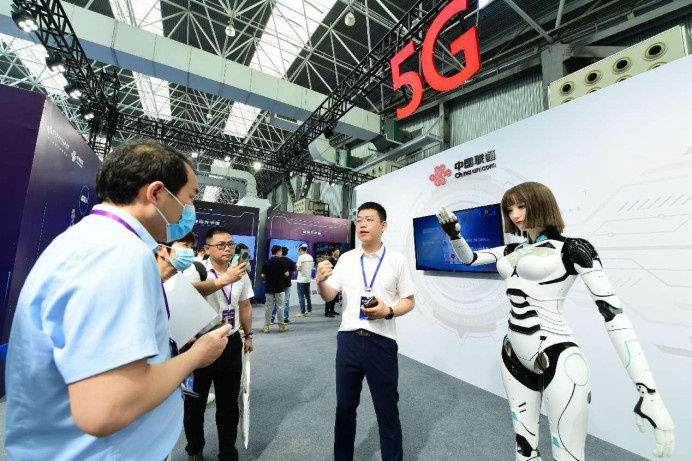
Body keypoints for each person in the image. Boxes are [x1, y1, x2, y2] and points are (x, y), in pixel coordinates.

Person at [4, 139, 232, 460]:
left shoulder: (95, 240)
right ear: (155, 193)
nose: (190, 210)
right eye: (190, 197)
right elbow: (105, 409)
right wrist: (197, 357)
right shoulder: (117, 252)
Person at [436, 181, 675, 460]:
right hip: (513, 351)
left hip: (557, 355)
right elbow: (471, 258)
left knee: (568, 455)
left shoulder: (573, 249)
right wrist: (454, 234)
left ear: (541, 203)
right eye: (509, 208)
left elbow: (613, 315)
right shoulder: (510, 251)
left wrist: (649, 393)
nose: (515, 214)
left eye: (521, 205)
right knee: (525, 450)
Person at [316, 202, 416, 461]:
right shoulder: (347, 259)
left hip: (381, 343)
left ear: (383, 226)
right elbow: (330, 294)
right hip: (348, 340)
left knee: (387, 410)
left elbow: (409, 300)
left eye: (369, 219)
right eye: (359, 219)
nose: (362, 224)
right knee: (345, 408)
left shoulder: (397, 261)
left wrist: (389, 311)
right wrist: (319, 282)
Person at [181, 226, 253, 461]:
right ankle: (195, 449)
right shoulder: (195, 268)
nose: (227, 249)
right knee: (195, 402)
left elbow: (244, 305)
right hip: (199, 343)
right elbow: (186, 292)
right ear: (207, 249)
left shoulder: (241, 272)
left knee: (229, 403)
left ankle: (228, 452)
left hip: (230, 343)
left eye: (230, 244)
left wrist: (249, 335)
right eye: (221, 245)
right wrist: (224, 281)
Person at [261, 245, 289, 333]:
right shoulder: (282, 262)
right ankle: (281, 326)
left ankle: (266, 326)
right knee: (280, 307)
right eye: (280, 251)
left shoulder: (267, 262)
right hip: (280, 287)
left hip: (269, 287)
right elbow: (287, 274)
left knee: (268, 307)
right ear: (278, 252)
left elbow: (262, 275)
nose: (281, 253)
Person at [273, 246, 296, 324]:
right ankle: (285, 319)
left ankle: (272, 318)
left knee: (276, 300)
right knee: (286, 301)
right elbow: (293, 272)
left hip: (278, 283)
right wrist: (289, 276)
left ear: (281, 252)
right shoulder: (290, 261)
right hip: (287, 283)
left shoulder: (277, 261)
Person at [295, 243, 314, 317]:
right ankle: (309, 310)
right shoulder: (310, 257)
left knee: (301, 296)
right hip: (308, 279)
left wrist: (297, 268)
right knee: (308, 296)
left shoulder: (300, 257)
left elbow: (298, 268)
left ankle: (302, 312)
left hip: (301, 280)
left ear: (300, 249)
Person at [324, 246, 341, 317]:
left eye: (339, 251)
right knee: (329, 297)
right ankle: (327, 312)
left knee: (334, 297)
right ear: (333, 252)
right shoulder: (329, 261)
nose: (338, 253)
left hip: (337, 281)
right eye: (337, 251)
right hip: (330, 281)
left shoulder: (339, 260)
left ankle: (332, 310)